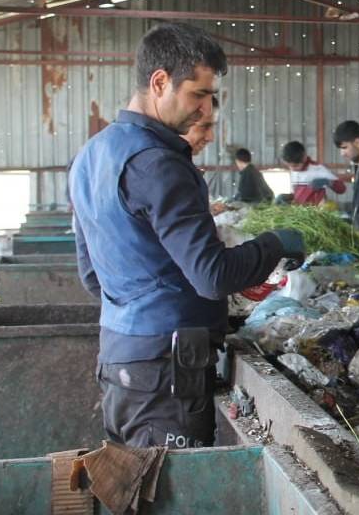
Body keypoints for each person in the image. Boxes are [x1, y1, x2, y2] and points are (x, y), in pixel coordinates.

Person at [69, 23, 306, 449]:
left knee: (135, 485)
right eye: (198, 93)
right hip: (166, 371)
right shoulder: (159, 163)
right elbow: (212, 275)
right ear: (159, 81)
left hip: (119, 359)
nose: (203, 109)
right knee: (171, 492)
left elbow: (92, 276)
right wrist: (276, 244)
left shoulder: (92, 155)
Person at [281, 140, 345, 205]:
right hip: (299, 211)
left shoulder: (318, 169)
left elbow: (342, 189)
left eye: (295, 166)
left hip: (315, 212)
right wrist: (286, 197)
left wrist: (328, 182)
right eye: (289, 166)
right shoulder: (293, 172)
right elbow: (296, 195)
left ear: (304, 158)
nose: (292, 169)